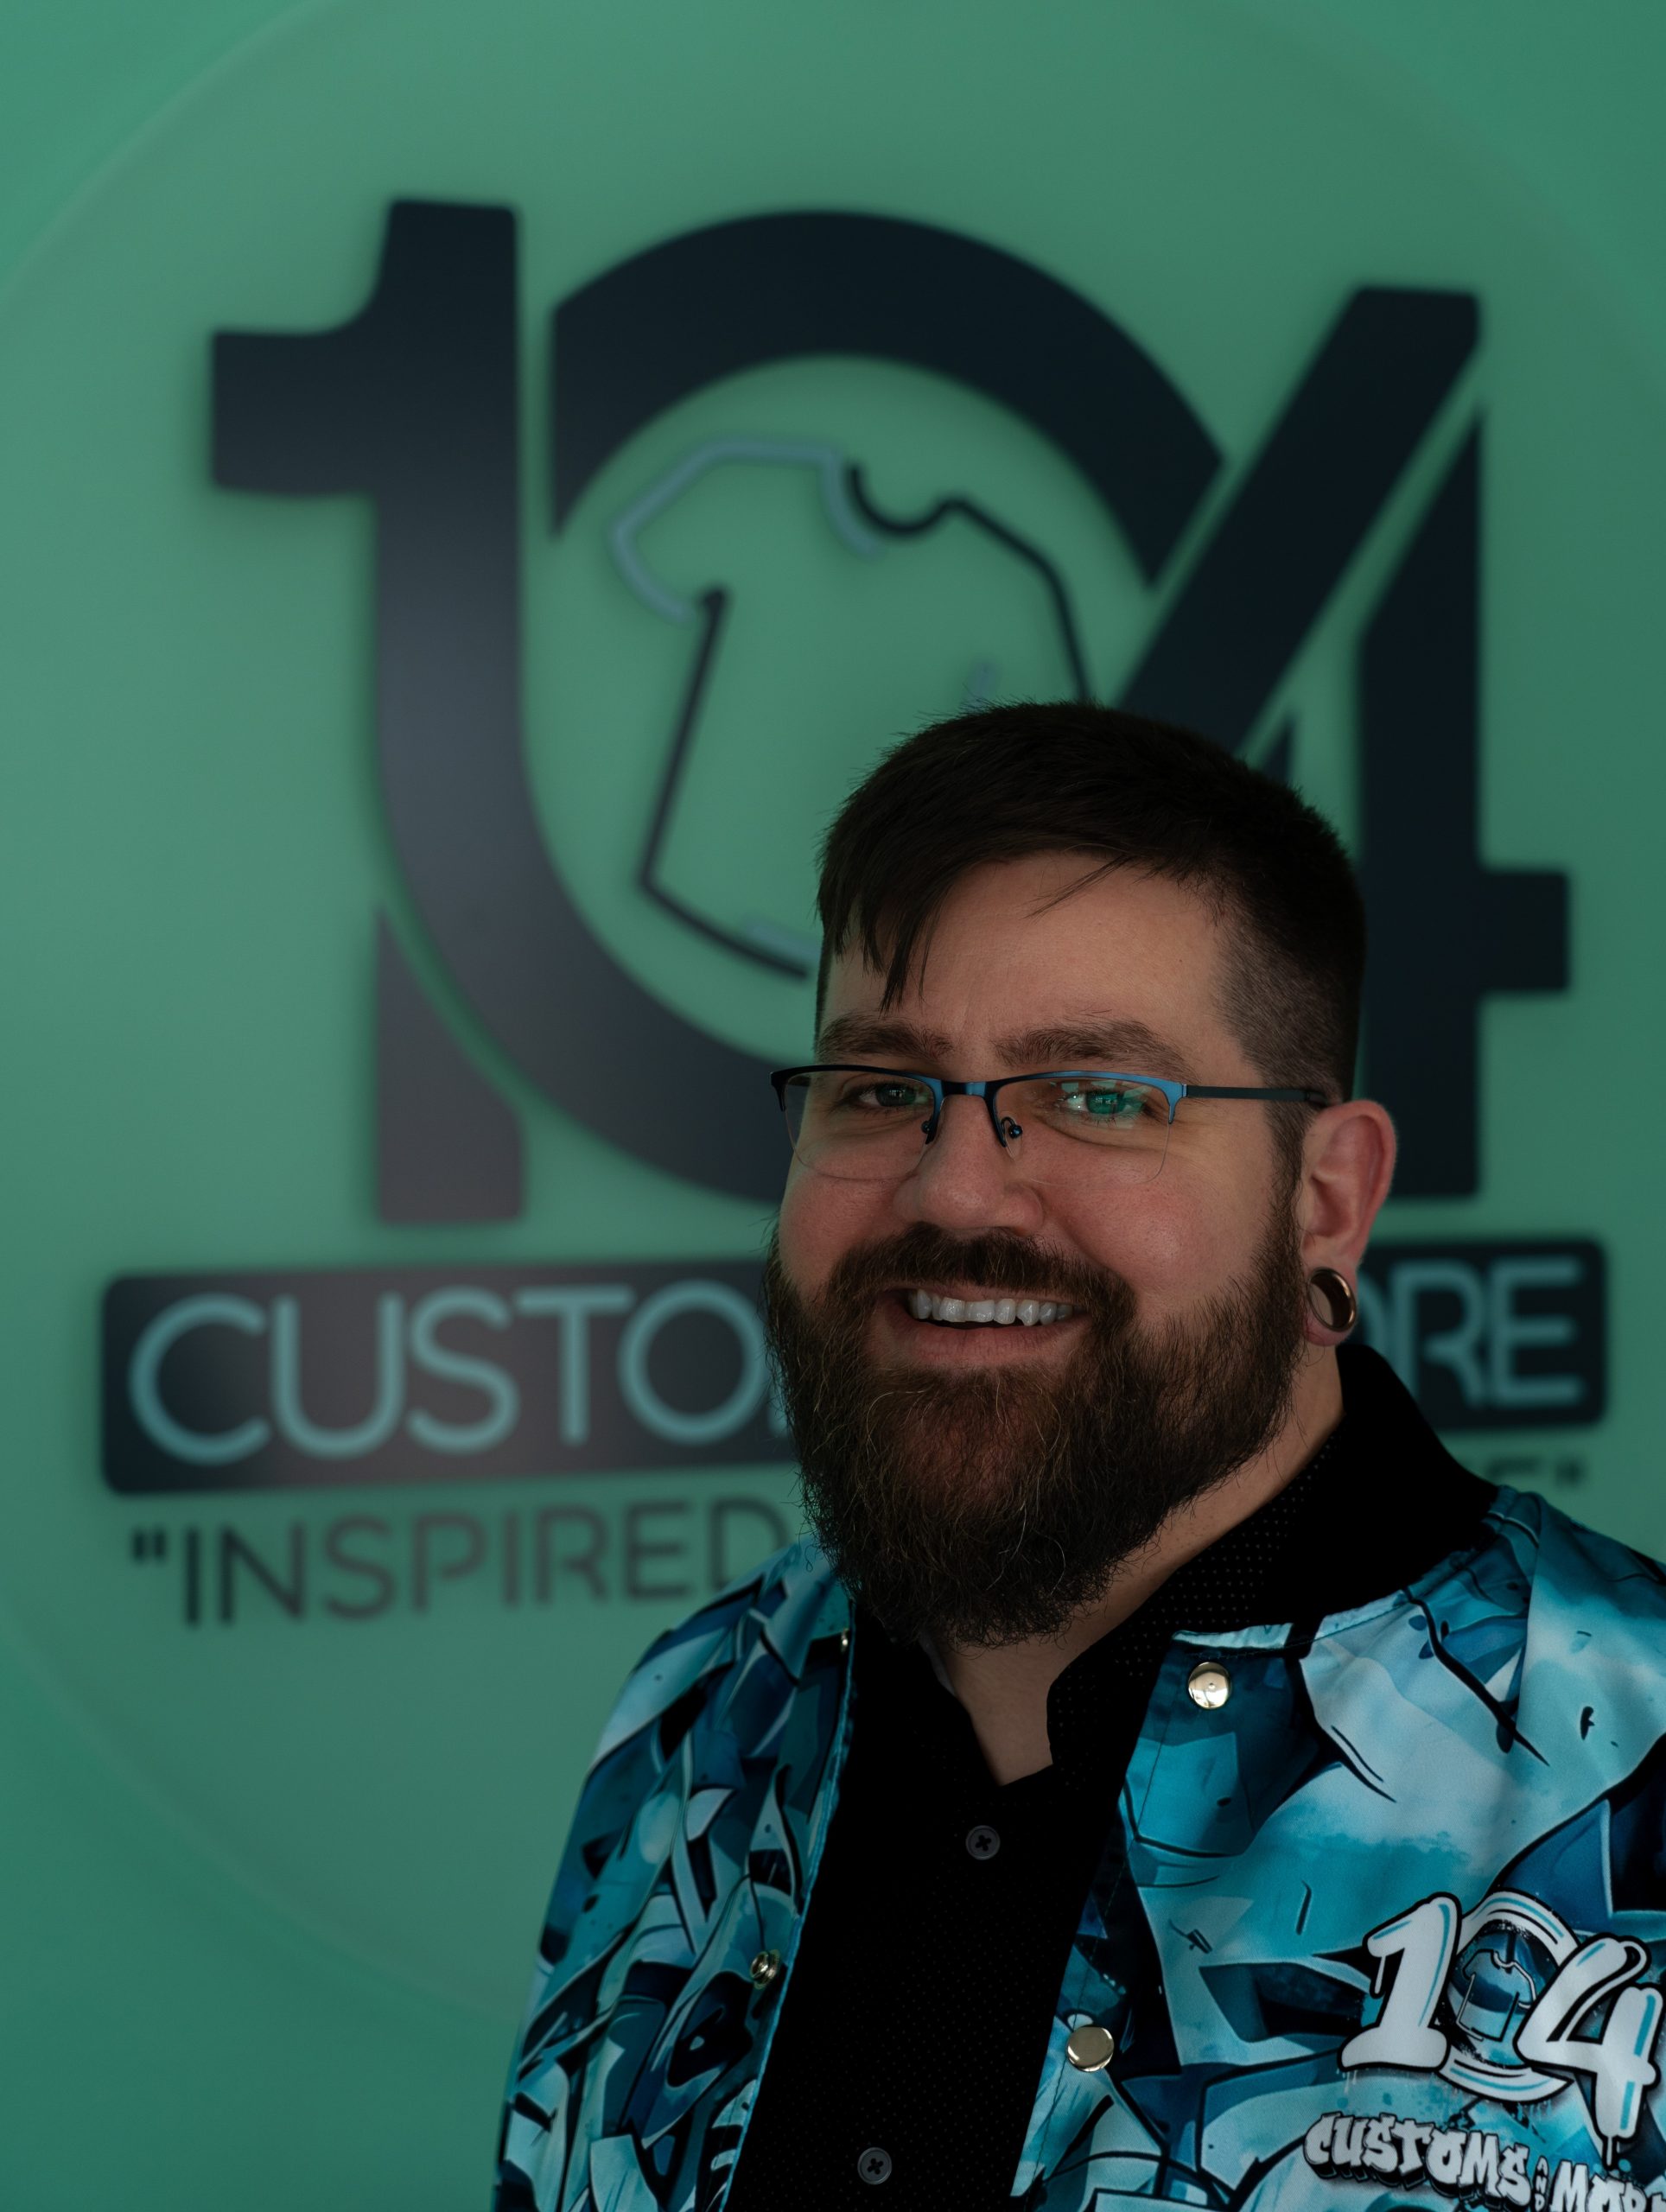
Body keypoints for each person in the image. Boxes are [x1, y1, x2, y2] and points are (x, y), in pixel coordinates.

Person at [493, 704, 1666, 2212]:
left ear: (1326, 1200)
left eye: (1101, 1096)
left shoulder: (1635, 1761)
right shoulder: (705, 1713)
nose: (955, 1191)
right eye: (880, 1088)